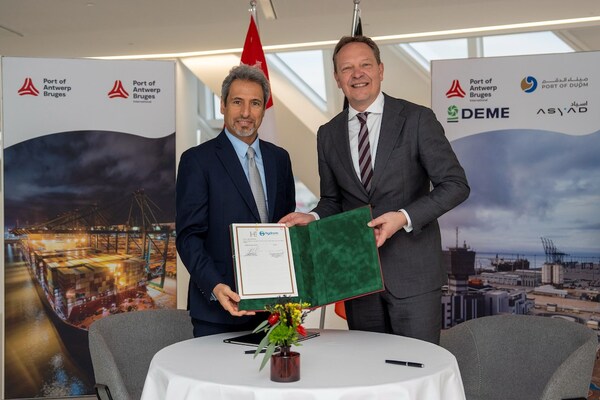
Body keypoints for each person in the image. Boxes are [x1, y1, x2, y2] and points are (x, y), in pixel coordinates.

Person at [279, 36, 470, 344]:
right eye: (347, 68)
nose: (357, 74)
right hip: (359, 278)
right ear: (337, 79)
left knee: (417, 366)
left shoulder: (417, 119)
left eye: (365, 65)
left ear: (380, 70)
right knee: (369, 368)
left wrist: (403, 217)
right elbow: (333, 200)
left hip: (414, 278)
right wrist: (312, 218)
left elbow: (455, 185)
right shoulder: (328, 134)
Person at [176, 64, 296, 337]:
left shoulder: (280, 159)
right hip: (219, 310)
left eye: (255, 103)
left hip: (274, 310)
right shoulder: (197, 161)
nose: (245, 113)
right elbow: (188, 237)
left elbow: (285, 229)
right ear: (223, 105)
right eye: (237, 102)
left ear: (264, 109)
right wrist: (215, 285)